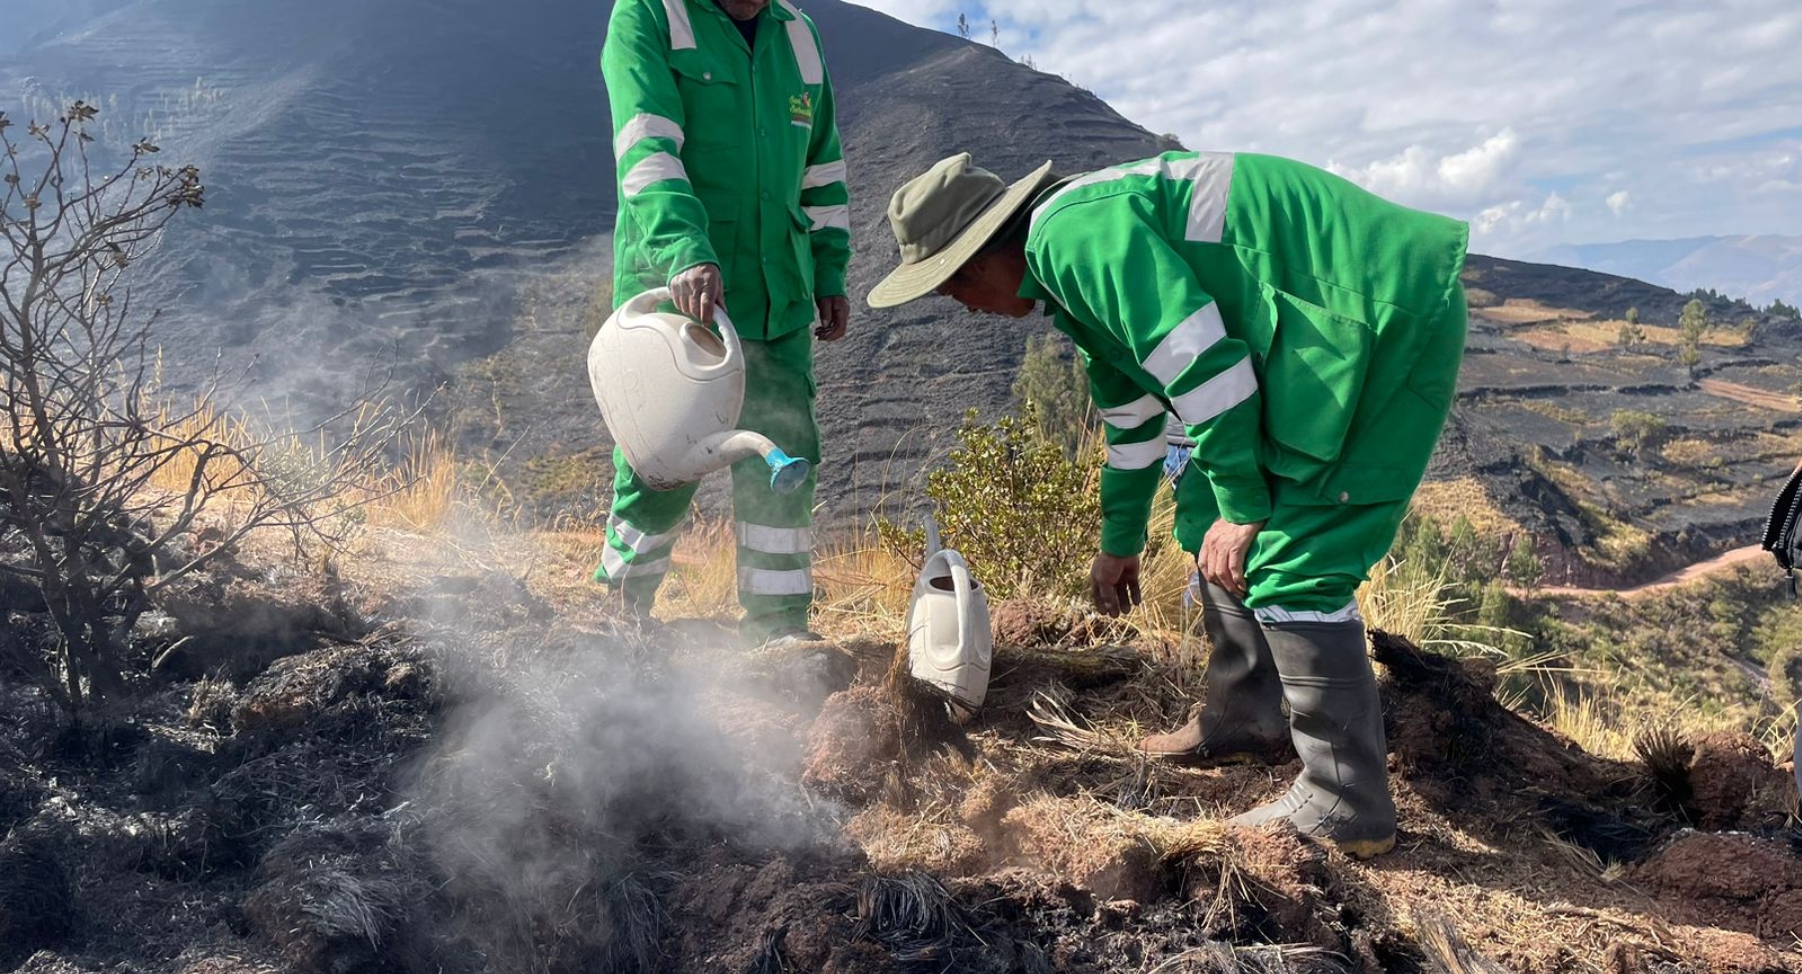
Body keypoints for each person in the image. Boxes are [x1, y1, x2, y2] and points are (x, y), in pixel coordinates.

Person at [867, 151, 1469, 858]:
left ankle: (1347, 801)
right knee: (1202, 507)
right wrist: (1120, 539)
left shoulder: (1073, 239)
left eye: (951, 290)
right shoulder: (1070, 277)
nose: (965, 309)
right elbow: (1132, 423)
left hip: (1378, 312)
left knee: (1295, 552)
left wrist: (1246, 507)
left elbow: (1205, 369)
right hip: (1313, 327)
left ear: (975, 261)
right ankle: (1248, 716)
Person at [598, 0, 852, 647]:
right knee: (662, 460)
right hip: (677, 294)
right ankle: (622, 611)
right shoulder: (649, 16)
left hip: (778, 296)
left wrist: (829, 271)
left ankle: (778, 629)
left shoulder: (798, 34)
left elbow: (821, 169)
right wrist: (685, 249)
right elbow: (647, 152)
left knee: (784, 458)